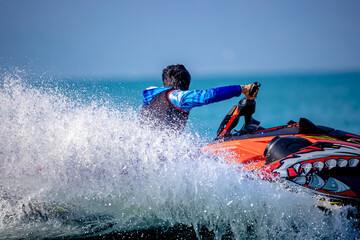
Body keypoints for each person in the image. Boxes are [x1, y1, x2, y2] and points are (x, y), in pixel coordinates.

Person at [139, 64, 258, 132]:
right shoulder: (180, 97)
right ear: (188, 87)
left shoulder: (151, 93)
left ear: (164, 84)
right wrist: (243, 88)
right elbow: (209, 96)